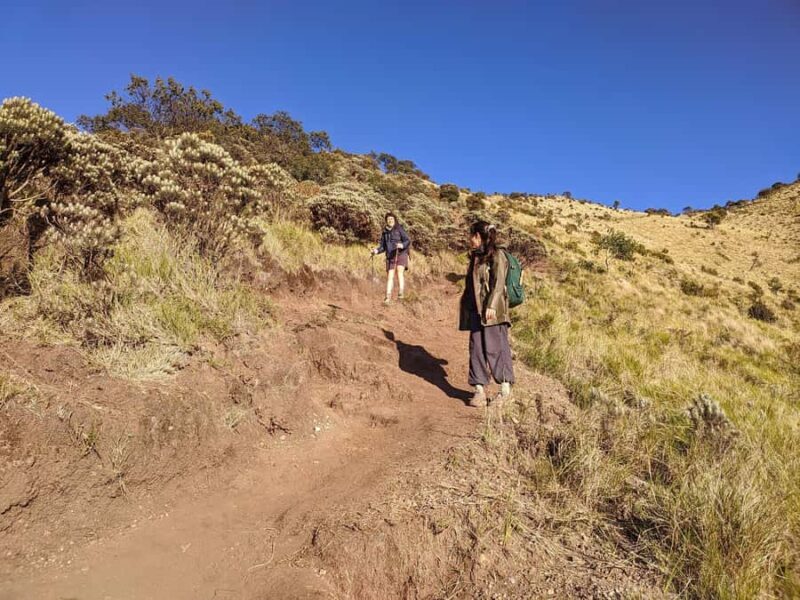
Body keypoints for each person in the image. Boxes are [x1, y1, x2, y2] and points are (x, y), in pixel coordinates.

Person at [459, 221, 515, 407]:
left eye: (472, 235)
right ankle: (479, 391)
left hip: (494, 312)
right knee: (476, 349)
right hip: (476, 311)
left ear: (479, 236)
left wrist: (491, 305)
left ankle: (505, 391)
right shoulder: (475, 257)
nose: (470, 239)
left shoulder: (498, 255)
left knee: (497, 349)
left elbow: (499, 283)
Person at [370, 212, 411, 304]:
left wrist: (402, 245)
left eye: (392, 219)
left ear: (394, 220)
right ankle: (387, 297)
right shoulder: (385, 232)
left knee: (399, 271)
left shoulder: (399, 228)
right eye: (388, 220)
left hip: (401, 253)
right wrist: (376, 251)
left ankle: (401, 292)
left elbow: (407, 240)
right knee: (390, 276)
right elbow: (383, 247)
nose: (390, 221)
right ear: (386, 221)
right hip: (390, 256)